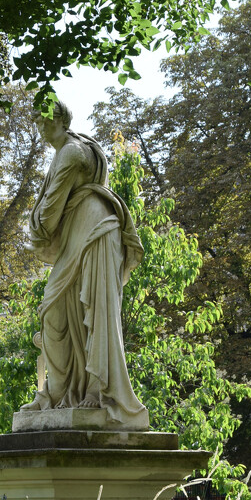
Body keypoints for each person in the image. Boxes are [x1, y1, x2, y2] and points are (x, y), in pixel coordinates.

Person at [20, 100, 149, 429]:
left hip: (94, 232)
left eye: (45, 122)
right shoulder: (73, 148)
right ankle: (61, 392)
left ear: (61, 119)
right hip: (84, 231)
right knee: (59, 311)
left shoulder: (72, 152)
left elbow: (50, 210)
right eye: (36, 124)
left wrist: (35, 228)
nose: (41, 129)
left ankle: (96, 388)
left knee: (94, 310)